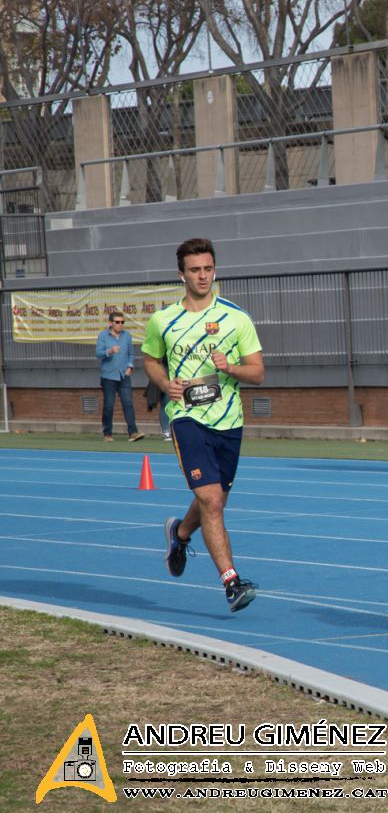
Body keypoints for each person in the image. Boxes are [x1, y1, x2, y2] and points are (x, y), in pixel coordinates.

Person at [143, 238, 264, 613]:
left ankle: (179, 533)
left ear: (215, 270)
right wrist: (165, 385)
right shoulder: (162, 320)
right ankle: (232, 582)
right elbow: (150, 359)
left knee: (214, 499)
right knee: (211, 499)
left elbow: (257, 372)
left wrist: (230, 367)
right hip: (186, 417)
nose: (202, 276)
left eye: (208, 269)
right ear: (181, 274)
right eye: (195, 270)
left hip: (229, 422)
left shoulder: (236, 317)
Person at [95, 311, 145, 443]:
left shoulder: (127, 336)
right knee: (109, 406)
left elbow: (131, 354)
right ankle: (107, 433)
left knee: (128, 404)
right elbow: (98, 354)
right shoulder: (103, 336)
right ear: (110, 323)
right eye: (117, 322)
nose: (120, 324)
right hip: (108, 376)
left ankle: (133, 432)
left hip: (124, 376)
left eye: (122, 322)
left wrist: (130, 366)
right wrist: (109, 351)